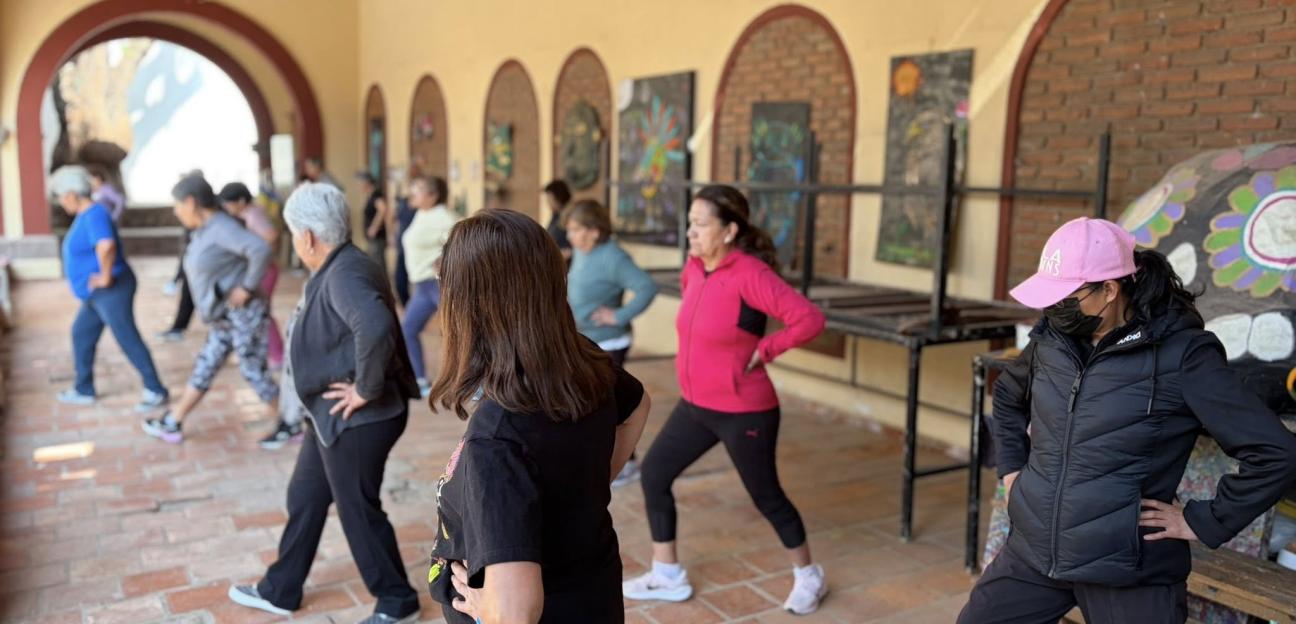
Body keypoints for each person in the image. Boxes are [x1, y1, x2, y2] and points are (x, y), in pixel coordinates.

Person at [958, 217, 1296, 624]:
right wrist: (1013, 471)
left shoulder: (1183, 355)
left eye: (1066, 296)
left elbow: (1276, 452)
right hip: (1034, 552)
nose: (1054, 307)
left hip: (1127, 570)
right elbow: (1008, 396)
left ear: (1109, 289)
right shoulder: (1053, 339)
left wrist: (1203, 520)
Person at [425, 208, 651, 624]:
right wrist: (583, 492)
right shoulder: (580, 358)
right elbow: (639, 404)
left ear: (472, 306)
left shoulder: (498, 440)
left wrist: (486, 608)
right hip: (592, 593)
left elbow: (517, 613)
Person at [623, 185, 828, 615]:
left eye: (701, 224)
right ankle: (667, 573)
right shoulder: (694, 269)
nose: (691, 232)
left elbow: (809, 319)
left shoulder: (751, 274)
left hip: (745, 410)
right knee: (655, 473)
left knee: (766, 496)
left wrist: (766, 349)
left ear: (730, 230)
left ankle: (809, 574)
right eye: (690, 223)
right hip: (696, 406)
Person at [225, 182, 421, 623]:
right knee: (306, 494)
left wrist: (365, 389)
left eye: (294, 233)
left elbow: (374, 325)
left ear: (308, 237)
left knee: (358, 511)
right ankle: (281, 589)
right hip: (331, 415)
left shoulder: (345, 272)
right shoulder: (340, 264)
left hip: (361, 418)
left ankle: (397, 602)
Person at [142, 174, 277, 444]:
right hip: (222, 316)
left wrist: (247, 287)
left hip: (243, 313)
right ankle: (174, 420)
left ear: (191, 202)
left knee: (252, 368)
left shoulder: (221, 227)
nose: (176, 211)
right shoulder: (205, 228)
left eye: (177, 204)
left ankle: (290, 420)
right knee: (206, 364)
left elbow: (260, 249)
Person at [51, 165, 168, 411]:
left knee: (127, 337)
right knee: (81, 333)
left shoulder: (95, 214)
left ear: (71, 194)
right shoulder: (86, 214)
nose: (61, 202)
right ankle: (84, 389)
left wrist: (105, 277)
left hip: (111, 289)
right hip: (96, 294)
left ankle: (155, 389)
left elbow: (106, 245)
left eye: (61, 196)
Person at [564, 199, 658, 487]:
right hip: (587, 338)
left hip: (610, 341)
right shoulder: (582, 252)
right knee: (592, 402)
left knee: (611, 404)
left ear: (595, 231)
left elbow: (646, 287)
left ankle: (628, 463)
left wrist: (618, 315)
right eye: (569, 229)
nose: (570, 235)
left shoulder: (613, 257)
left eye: (576, 229)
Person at [400, 176, 457, 396]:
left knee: (462, 331)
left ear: (433, 196)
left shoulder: (444, 217)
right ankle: (421, 380)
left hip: (438, 284)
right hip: (422, 286)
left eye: (419, 189)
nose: (413, 192)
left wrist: (445, 259)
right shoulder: (422, 214)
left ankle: (480, 382)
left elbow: (462, 241)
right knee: (408, 329)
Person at [219, 182, 285, 371]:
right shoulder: (247, 214)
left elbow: (271, 235)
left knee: (262, 312)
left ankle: (277, 355)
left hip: (265, 270)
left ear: (241, 201)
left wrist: (254, 250)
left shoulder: (253, 214)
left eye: (230, 203)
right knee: (258, 311)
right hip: (262, 269)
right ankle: (264, 352)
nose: (228, 208)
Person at [358, 173, 393, 279]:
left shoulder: (376, 194)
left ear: (367, 182)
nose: (358, 186)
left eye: (360, 183)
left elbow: (383, 209)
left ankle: (383, 285)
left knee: (379, 264)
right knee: (375, 262)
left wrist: (374, 227)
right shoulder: (370, 195)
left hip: (377, 237)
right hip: (373, 238)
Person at [542, 179, 572, 258]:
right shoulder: (555, 216)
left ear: (559, 197)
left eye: (550, 199)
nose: (548, 203)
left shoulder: (570, 216)